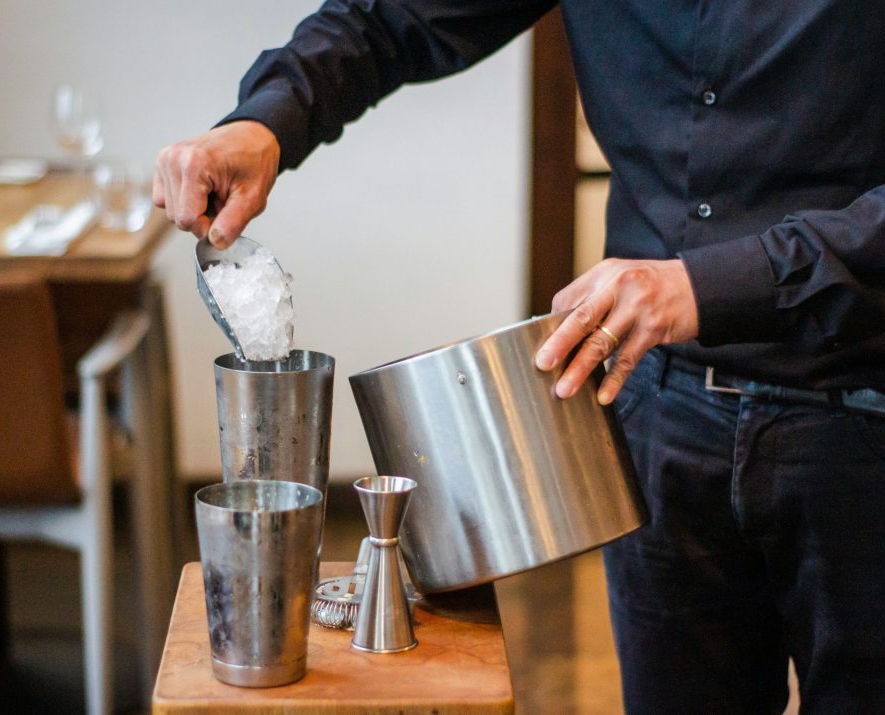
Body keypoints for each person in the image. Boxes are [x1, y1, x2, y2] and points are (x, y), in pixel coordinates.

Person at [154, 2, 885, 711]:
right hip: (657, 408)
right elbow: (391, 16)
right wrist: (264, 121)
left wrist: (710, 285)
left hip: (857, 408)